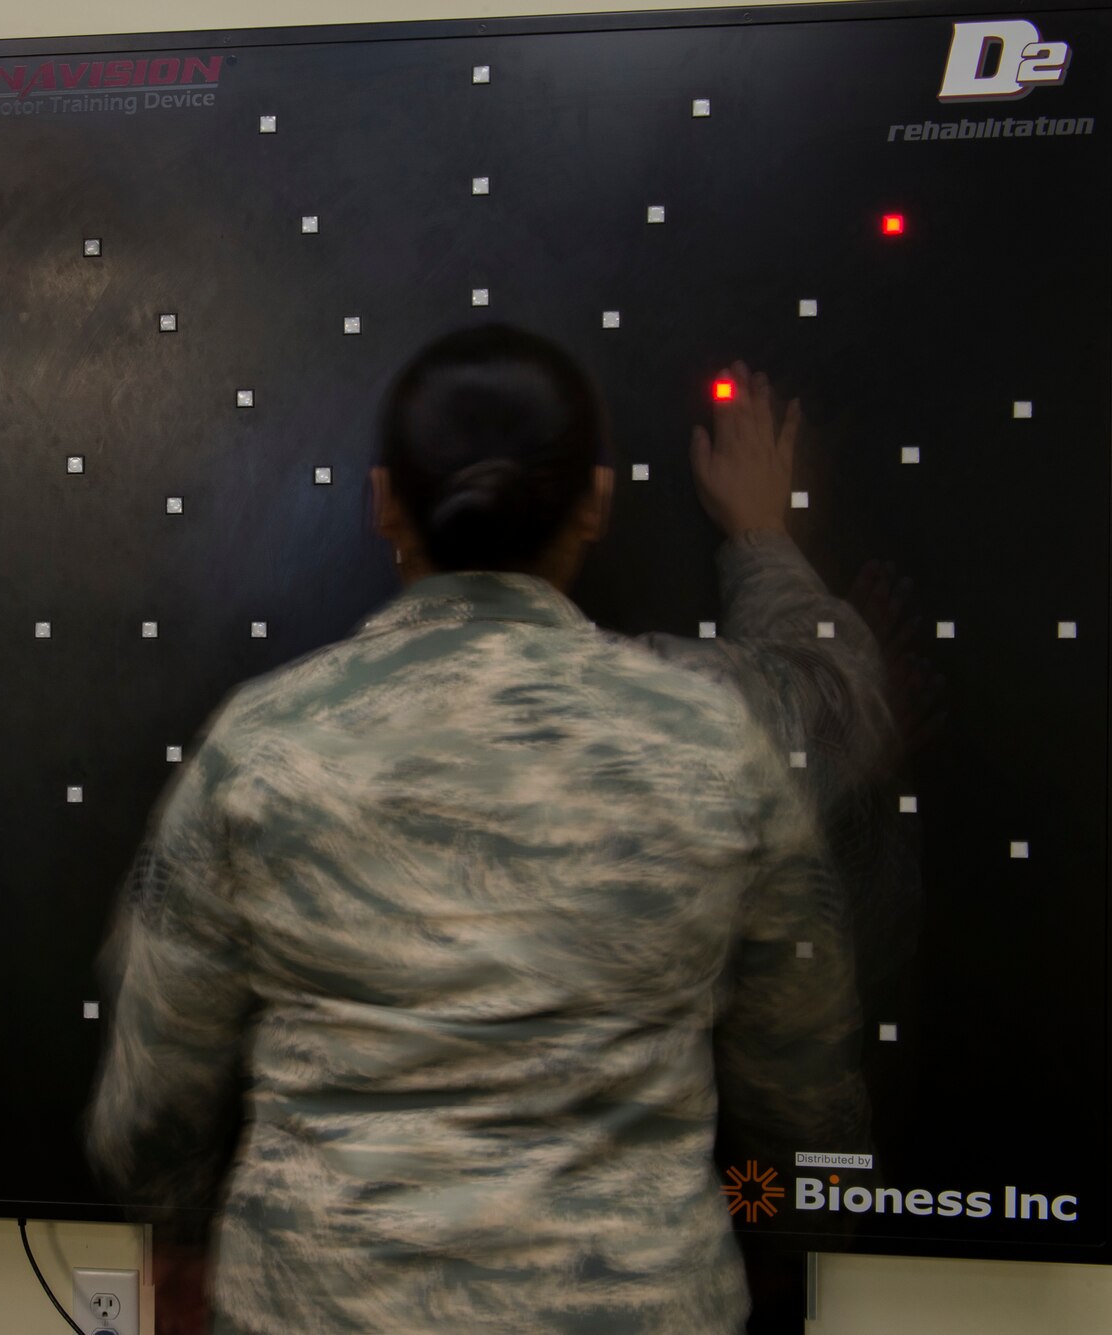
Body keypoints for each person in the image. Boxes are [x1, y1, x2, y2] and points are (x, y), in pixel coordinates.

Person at [86, 325, 866, 1333]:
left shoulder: (265, 744)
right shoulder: (709, 739)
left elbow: (153, 1091)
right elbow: (800, 1067)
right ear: (594, 501)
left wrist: (174, 1227)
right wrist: (781, 1232)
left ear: (381, 504)